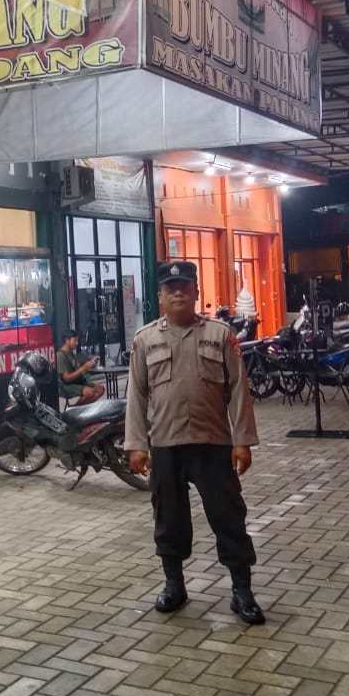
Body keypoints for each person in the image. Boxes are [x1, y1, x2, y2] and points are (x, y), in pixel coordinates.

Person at [124, 261, 265, 625]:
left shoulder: (220, 335)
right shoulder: (145, 340)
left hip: (212, 443)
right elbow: (136, 396)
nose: (178, 293)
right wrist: (137, 444)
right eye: (170, 288)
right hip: (165, 444)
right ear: (160, 296)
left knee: (228, 516)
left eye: (184, 286)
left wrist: (242, 441)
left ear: (196, 292)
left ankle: (242, 590)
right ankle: (174, 585)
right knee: (168, 518)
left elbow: (239, 390)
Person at [56, 330, 104, 404]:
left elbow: (80, 371)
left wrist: (90, 366)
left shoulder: (71, 353)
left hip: (77, 382)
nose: (77, 343)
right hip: (66, 386)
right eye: (75, 340)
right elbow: (66, 378)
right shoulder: (60, 355)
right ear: (67, 340)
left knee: (100, 389)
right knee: (90, 392)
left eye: (77, 340)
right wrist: (84, 368)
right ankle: (76, 409)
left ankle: (83, 407)